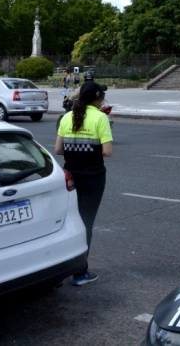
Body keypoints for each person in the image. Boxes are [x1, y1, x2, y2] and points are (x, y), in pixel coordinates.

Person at [55, 81, 113, 286]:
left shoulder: (67, 117)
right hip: (93, 177)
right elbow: (107, 152)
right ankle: (80, 272)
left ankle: (61, 268)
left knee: (69, 223)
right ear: (97, 98)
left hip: (70, 176)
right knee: (85, 223)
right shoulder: (100, 117)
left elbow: (58, 150)